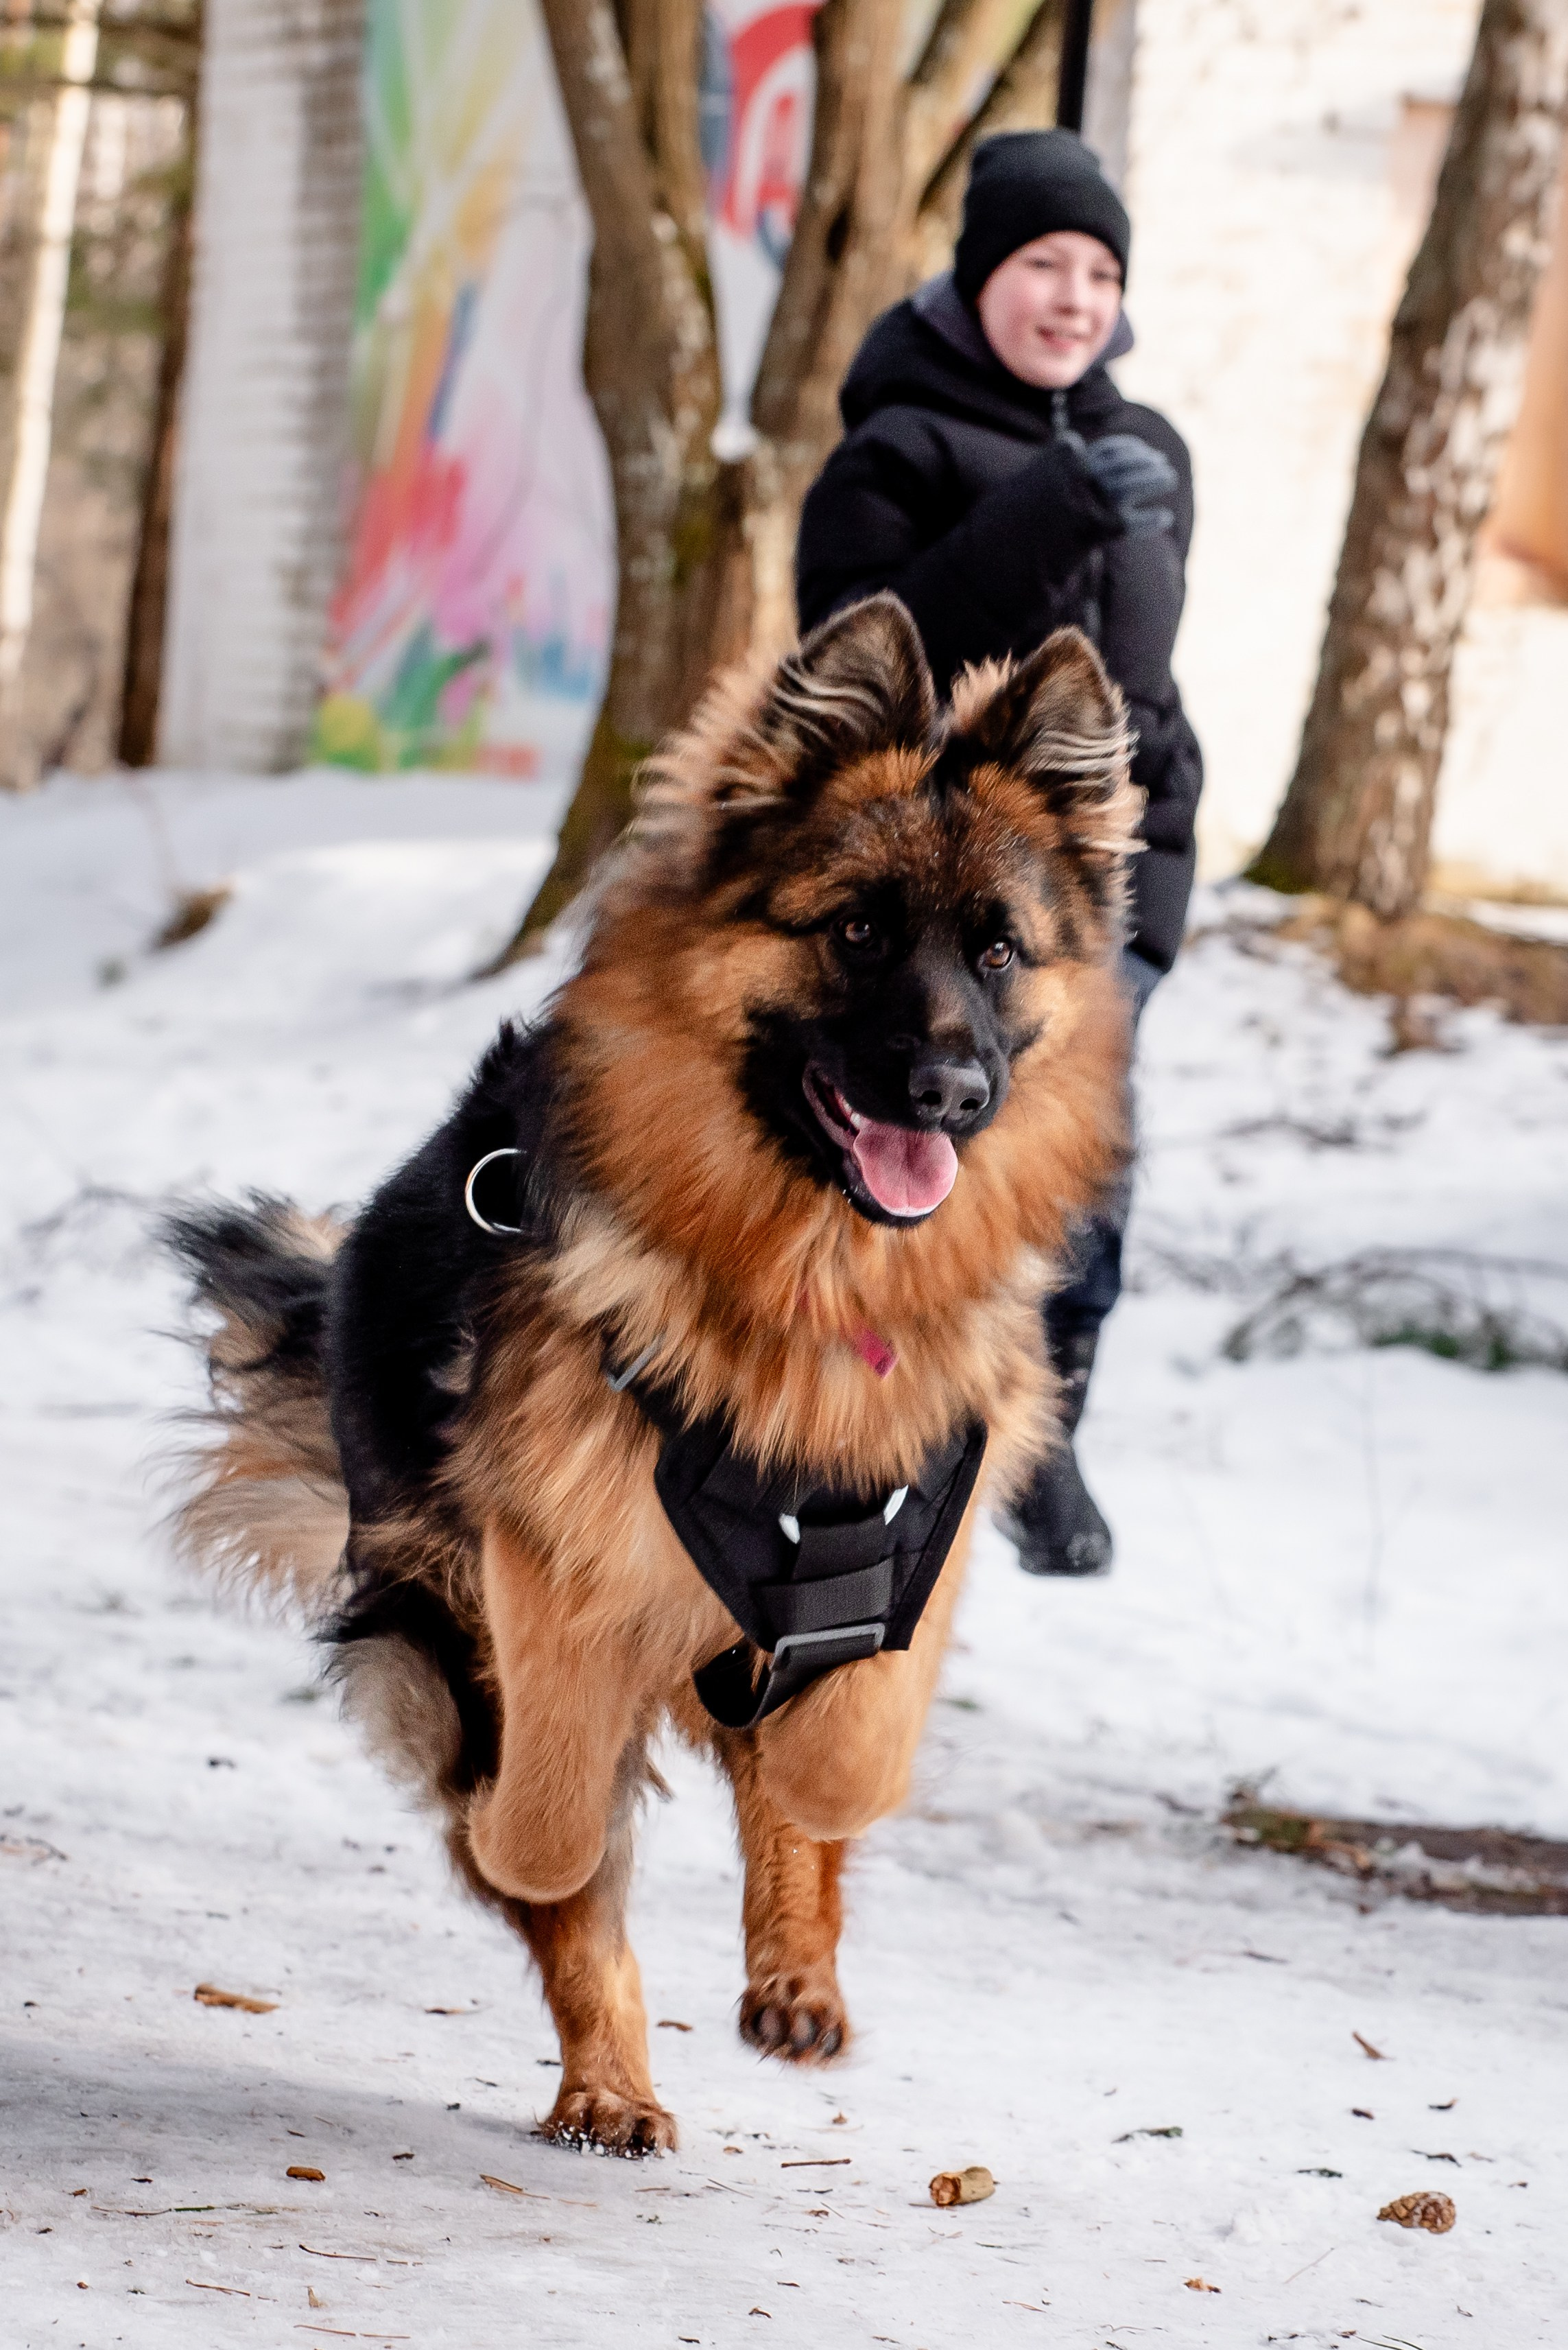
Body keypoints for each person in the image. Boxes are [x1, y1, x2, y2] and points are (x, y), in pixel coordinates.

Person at [795, 127, 1202, 1579]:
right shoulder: (893, 443)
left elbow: (1147, 685)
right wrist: (1046, 515)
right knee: (916, 1139)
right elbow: (849, 637)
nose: (1074, 297)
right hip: (931, 886)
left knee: (1087, 1158)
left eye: (1100, 272)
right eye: (1045, 264)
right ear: (981, 279)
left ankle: (1046, 1421)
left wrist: (1173, 838)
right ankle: (875, 1412)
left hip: (1099, 890)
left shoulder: (1151, 448)